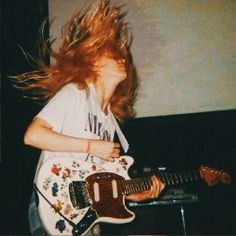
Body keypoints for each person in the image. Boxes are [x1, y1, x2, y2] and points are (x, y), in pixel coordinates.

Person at [12, 0, 164, 235]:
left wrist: (137, 194)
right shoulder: (76, 92)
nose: (124, 58)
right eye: (114, 55)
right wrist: (91, 146)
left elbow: (107, 181)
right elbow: (32, 135)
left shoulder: (109, 120)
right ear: (94, 62)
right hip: (55, 205)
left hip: (86, 218)